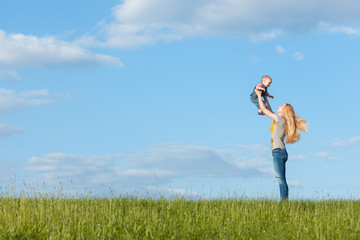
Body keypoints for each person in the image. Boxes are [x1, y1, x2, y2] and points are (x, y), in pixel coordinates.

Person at [255, 89, 308, 200]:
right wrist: (265, 97)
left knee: (281, 179)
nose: (279, 106)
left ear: (284, 112)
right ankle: (284, 201)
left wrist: (259, 95)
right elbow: (269, 110)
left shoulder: (279, 120)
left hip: (278, 152)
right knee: (281, 179)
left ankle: (284, 202)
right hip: (281, 152)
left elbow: (264, 109)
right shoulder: (280, 120)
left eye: (281, 106)